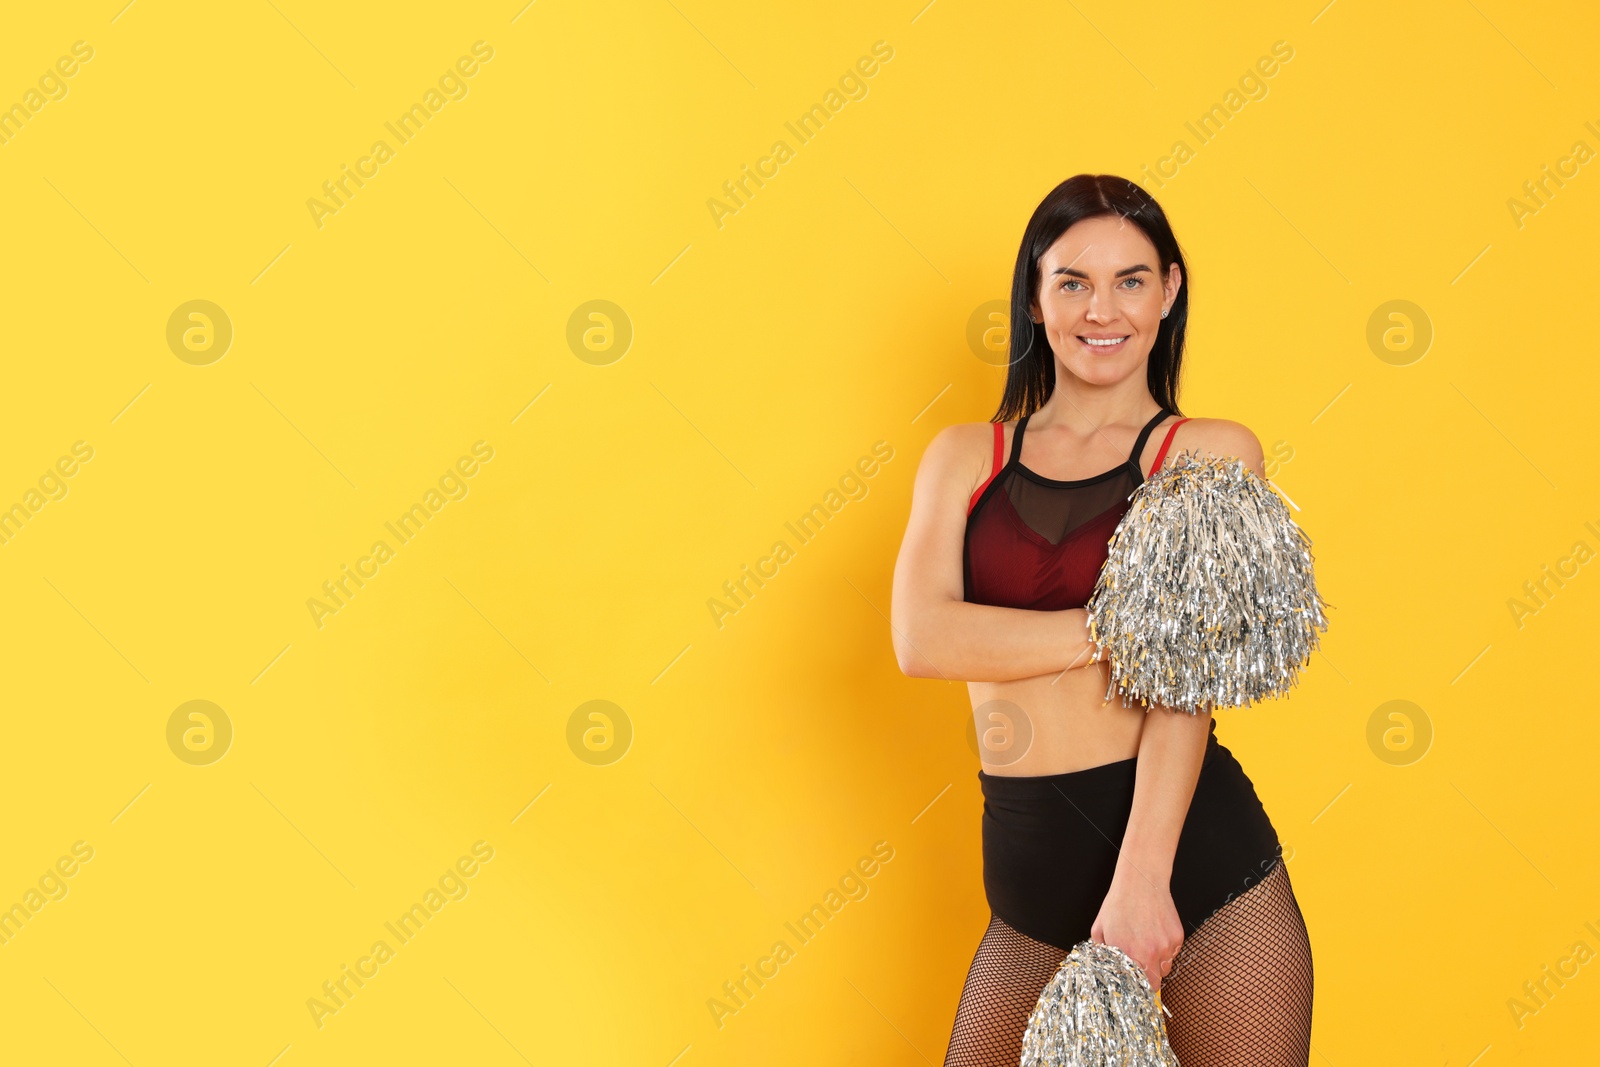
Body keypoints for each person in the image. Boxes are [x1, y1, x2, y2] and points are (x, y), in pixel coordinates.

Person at [890, 174, 1314, 1066]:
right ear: (1035, 299)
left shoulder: (1204, 453)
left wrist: (1141, 885)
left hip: (1193, 877)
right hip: (1030, 895)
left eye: (1130, 279)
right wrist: (1130, 628)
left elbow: (1185, 691)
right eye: (1072, 281)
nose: (1101, 309)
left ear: (1170, 291)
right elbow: (923, 639)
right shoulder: (967, 457)